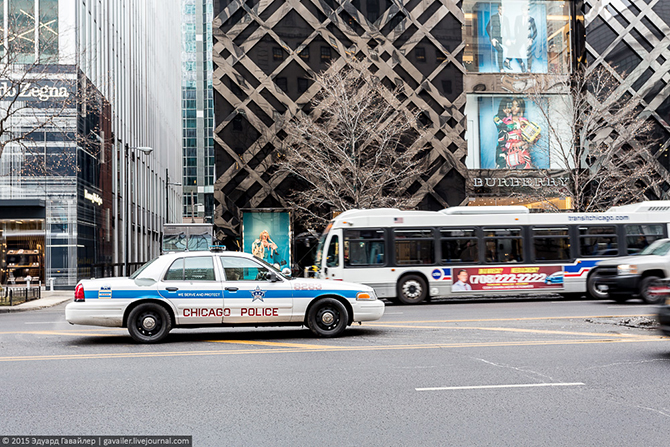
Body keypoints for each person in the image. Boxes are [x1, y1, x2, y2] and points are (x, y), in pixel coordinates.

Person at [485, 3, 506, 72]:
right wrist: (492, 39)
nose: (502, 10)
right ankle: (501, 68)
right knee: (500, 50)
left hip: (502, 38)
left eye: (503, 9)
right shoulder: (493, 17)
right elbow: (488, 28)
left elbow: (508, 30)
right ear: (498, 9)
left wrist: (509, 39)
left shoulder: (506, 18)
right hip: (495, 38)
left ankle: (507, 61)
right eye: (500, 9)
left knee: (513, 46)